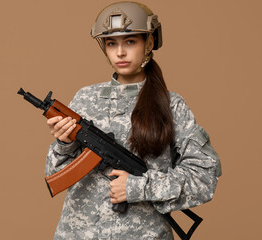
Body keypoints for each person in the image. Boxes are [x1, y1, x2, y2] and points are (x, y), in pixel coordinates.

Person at [45, 2, 221, 239]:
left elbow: (203, 177)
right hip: (78, 233)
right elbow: (55, 176)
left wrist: (138, 187)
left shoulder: (171, 105)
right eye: (111, 43)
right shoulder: (85, 98)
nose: (120, 52)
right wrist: (64, 144)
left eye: (130, 41)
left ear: (149, 43)